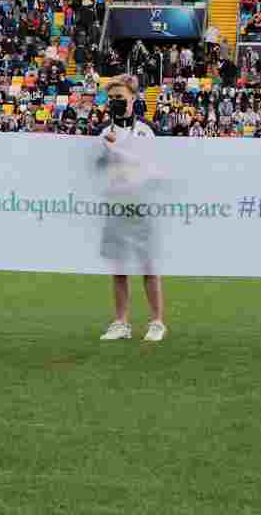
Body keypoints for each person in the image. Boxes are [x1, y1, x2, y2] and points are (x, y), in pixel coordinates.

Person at [96, 74, 167, 343]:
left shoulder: (146, 129)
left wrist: (121, 152)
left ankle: (157, 321)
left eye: (120, 98)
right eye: (111, 98)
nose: (115, 102)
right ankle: (122, 322)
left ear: (133, 99)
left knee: (148, 266)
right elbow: (99, 169)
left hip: (142, 205)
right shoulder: (104, 131)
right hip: (115, 204)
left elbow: (151, 165)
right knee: (119, 267)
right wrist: (107, 152)